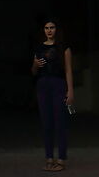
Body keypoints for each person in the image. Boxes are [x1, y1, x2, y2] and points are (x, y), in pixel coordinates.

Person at [31, 18, 75, 170]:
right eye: (46, 27)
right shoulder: (38, 48)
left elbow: (68, 70)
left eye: (52, 27)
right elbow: (33, 71)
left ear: (57, 29)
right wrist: (35, 65)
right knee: (46, 123)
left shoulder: (63, 48)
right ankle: (49, 158)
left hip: (58, 84)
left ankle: (61, 159)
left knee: (60, 122)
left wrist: (70, 91)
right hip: (43, 85)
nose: (49, 30)